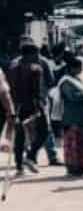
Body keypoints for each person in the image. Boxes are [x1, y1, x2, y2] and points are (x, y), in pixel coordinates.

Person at [7, 41, 46, 176]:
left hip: (16, 104)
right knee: (44, 131)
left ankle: (19, 166)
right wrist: (39, 106)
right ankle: (30, 156)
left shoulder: (12, 66)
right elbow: (37, 91)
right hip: (31, 105)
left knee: (19, 136)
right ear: (31, 54)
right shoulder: (35, 68)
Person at [57, 57, 83, 177]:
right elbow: (72, 97)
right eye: (78, 67)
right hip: (72, 117)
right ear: (70, 68)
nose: (81, 69)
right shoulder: (65, 81)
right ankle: (73, 167)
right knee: (72, 144)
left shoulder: (77, 79)